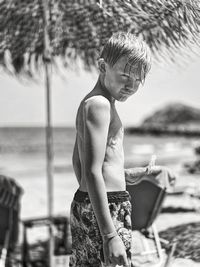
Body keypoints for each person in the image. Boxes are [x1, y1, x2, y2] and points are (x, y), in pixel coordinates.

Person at [69, 32, 176, 267]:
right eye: (125, 75)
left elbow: (79, 163)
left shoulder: (93, 102)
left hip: (94, 205)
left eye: (138, 80)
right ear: (102, 67)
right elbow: (92, 171)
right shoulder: (99, 105)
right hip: (107, 209)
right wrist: (109, 235)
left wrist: (123, 176)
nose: (131, 85)